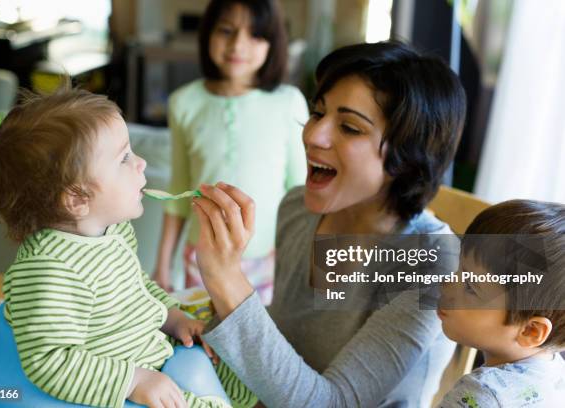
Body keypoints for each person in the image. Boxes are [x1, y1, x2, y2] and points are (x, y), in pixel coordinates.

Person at [191, 41, 468, 407]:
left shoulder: (432, 261)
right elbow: (288, 344)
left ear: (406, 157)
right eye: (318, 113)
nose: (313, 135)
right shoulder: (297, 208)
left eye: (350, 128)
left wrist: (227, 279)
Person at [0, 87, 256, 408]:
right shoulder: (50, 271)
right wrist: (133, 380)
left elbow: (138, 290)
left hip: (156, 353)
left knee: (242, 372)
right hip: (115, 384)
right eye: (124, 158)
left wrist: (174, 317)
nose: (141, 163)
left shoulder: (113, 232)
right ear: (77, 198)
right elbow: (49, 360)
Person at [153, 0, 307, 304]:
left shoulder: (289, 102)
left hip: (270, 263)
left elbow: (299, 194)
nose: (238, 44)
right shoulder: (184, 102)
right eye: (226, 31)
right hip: (201, 261)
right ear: (207, 33)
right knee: (205, 346)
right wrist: (161, 268)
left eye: (255, 35)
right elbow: (178, 193)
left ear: (273, 43)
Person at [438, 200, 565, 407]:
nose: (447, 283)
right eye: (459, 269)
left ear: (531, 331)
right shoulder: (556, 376)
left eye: (470, 286)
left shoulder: (481, 395)